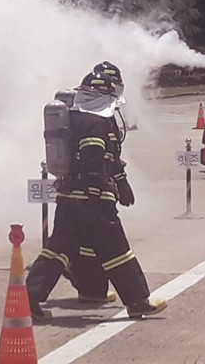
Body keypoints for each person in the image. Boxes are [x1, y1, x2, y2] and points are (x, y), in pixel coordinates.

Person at [26, 70, 167, 320]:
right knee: (117, 250)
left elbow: (108, 158)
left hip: (70, 197)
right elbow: (93, 158)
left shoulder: (78, 117)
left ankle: (28, 299)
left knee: (58, 248)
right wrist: (99, 190)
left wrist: (122, 182)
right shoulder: (95, 122)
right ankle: (138, 301)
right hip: (92, 199)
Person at [67, 61, 134, 304]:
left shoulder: (84, 114)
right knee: (111, 246)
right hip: (94, 190)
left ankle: (91, 290)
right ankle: (137, 299)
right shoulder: (99, 119)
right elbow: (105, 156)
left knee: (86, 244)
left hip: (80, 188)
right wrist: (112, 185)